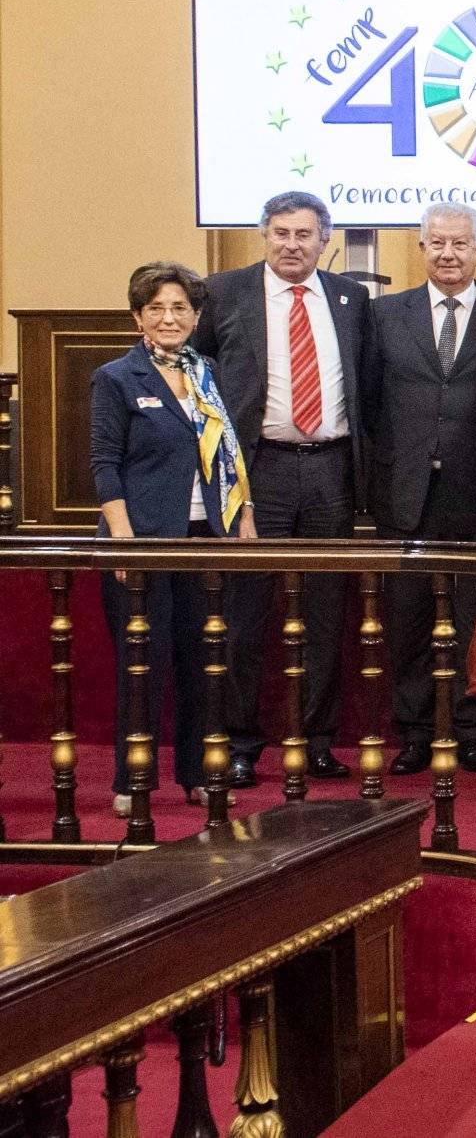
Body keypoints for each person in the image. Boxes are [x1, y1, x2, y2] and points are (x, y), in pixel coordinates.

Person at [189, 190, 368, 787]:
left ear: (326, 241)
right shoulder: (223, 293)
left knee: (324, 610)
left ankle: (317, 740)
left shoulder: (351, 299)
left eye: (305, 235)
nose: (293, 245)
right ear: (264, 234)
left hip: (331, 470)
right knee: (245, 612)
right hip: (255, 469)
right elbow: (193, 375)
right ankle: (241, 742)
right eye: (282, 233)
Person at [367, 203, 476, 775]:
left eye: (460, 244)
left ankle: (469, 728)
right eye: (437, 243)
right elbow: (367, 406)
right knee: (407, 621)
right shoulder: (384, 315)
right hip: (404, 493)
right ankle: (414, 732)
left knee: (473, 623)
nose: (448, 253)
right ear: (421, 248)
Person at [94, 263, 257, 809]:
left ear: (196, 316)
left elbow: (229, 452)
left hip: (204, 538)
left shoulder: (207, 373)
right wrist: (123, 540)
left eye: (180, 308)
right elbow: (104, 465)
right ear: (138, 316)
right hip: (142, 542)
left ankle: (196, 774)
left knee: (202, 663)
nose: (169, 318)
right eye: (157, 308)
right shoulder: (117, 377)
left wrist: (243, 519)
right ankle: (130, 781)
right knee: (142, 667)